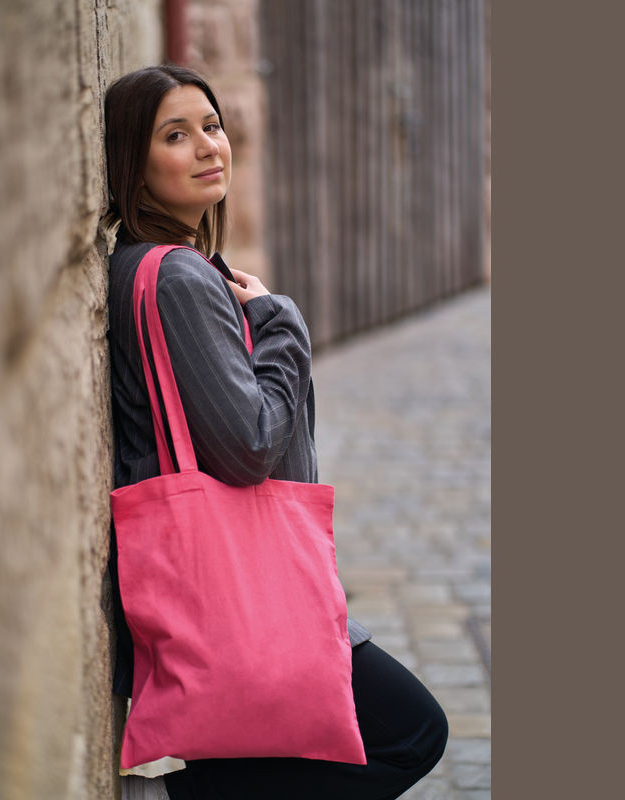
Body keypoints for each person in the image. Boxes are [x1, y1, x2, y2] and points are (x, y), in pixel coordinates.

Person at [104, 64, 448, 800]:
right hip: (241, 586)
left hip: (212, 587)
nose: (208, 146)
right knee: (413, 733)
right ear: (132, 163)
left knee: (253, 765)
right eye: (175, 135)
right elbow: (251, 446)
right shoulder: (178, 278)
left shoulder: (150, 267)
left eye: (211, 125)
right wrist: (281, 321)